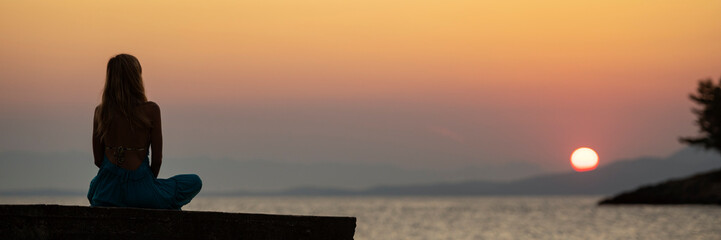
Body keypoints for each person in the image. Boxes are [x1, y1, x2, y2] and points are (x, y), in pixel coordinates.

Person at [87, 54, 202, 209]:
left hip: (106, 193)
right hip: (142, 190)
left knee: (94, 185)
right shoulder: (151, 110)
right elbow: (157, 160)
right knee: (194, 181)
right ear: (136, 78)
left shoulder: (100, 112)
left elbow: (98, 160)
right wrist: (143, 183)